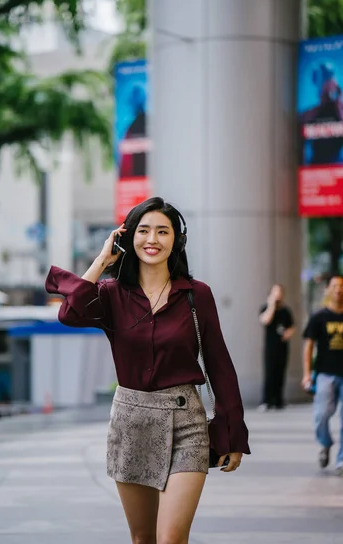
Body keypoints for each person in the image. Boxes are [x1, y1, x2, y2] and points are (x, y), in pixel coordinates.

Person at [45, 197, 250, 544]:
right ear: (128, 239)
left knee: (170, 537)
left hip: (187, 424)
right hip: (131, 421)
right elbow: (69, 314)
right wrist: (101, 260)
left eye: (162, 231)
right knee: (143, 537)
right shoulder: (111, 294)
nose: (152, 239)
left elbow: (219, 363)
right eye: (143, 231)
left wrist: (232, 433)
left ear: (176, 241)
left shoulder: (196, 295)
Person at [302, 275, 343, 476]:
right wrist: (307, 374)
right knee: (321, 416)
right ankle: (326, 443)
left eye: (341, 286)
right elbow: (308, 346)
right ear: (328, 290)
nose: (338, 290)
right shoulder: (319, 317)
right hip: (325, 373)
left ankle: (341, 460)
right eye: (334, 286)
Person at [259, 284, 295, 410]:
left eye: (280, 292)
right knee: (270, 372)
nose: (278, 295)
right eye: (275, 292)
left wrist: (288, 334)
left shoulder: (286, 311)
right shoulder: (266, 308)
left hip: (282, 346)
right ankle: (267, 401)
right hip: (270, 347)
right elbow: (265, 320)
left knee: (280, 372)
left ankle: (279, 400)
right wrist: (272, 305)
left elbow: (292, 327)